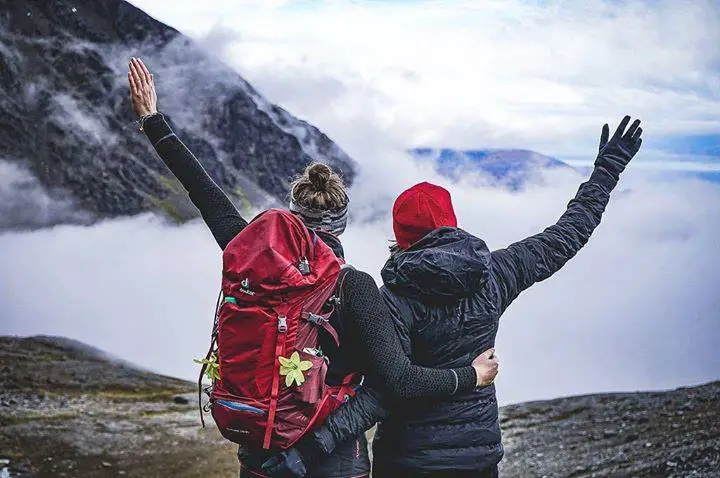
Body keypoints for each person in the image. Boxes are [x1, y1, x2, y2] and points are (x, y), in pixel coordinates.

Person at [126, 57, 499, 478]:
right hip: (333, 460)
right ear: (341, 224)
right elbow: (400, 382)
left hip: (259, 448)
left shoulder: (249, 253)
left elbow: (203, 191)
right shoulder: (354, 287)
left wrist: (152, 119)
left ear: (293, 214)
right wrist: (471, 375)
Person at [270, 116, 643, 478]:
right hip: (477, 460)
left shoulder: (392, 300)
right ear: (452, 222)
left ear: (400, 236)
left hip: (406, 460)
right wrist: (607, 169)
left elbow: (383, 393)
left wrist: (309, 451)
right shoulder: (497, 273)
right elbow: (567, 235)